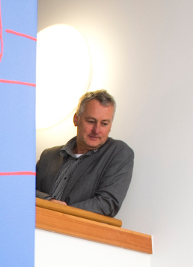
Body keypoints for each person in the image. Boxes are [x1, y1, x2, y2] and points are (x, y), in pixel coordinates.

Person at [35, 89, 134, 218]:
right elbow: (24, 190)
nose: (96, 130)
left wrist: (62, 212)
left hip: (78, 230)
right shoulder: (48, 156)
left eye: (104, 124)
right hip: (35, 226)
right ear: (76, 119)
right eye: (91, 121)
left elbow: (107, 204)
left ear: (110, 126)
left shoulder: (118, 153)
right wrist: (49, 201)